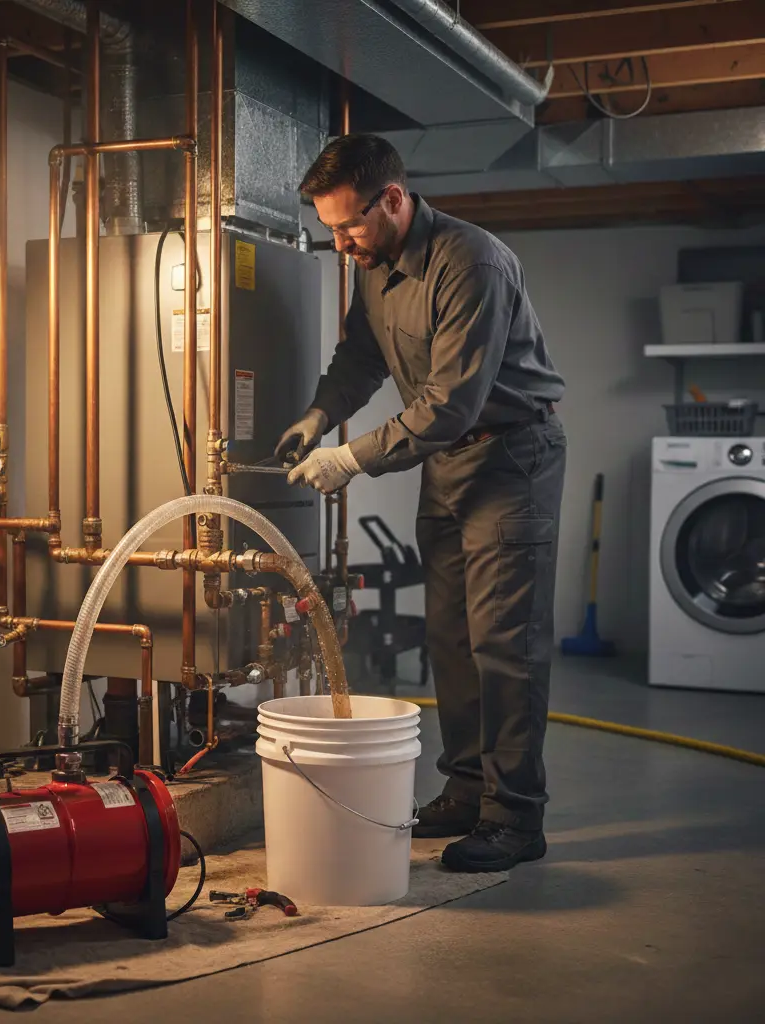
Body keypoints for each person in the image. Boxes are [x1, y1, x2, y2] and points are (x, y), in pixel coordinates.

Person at [277, 134, 566, 872]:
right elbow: (362, 356)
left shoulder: (474, 262)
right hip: (448, 468)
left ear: (395, 199)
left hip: (510, 459)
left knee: (506, 643)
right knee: (451, 637)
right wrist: (318, 416)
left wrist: (349, 458)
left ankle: (515, 819)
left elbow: (450, 404)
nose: (340, 244)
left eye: (349, 227)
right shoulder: (372, 267)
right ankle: (468, 791)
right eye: (329, 230)